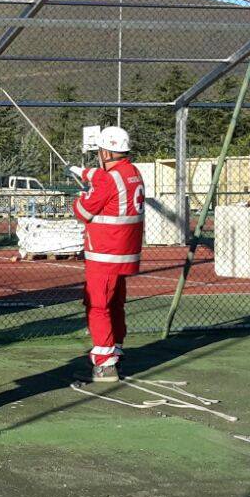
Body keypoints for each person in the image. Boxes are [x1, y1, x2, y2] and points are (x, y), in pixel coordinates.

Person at [69, 125, 145, 383]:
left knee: (98, 305)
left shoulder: (107, 180)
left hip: (105, 252)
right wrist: (86, 173)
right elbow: (104, 180)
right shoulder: (132, 172)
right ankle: (116, 348)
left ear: (105, 152)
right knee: (116, 303)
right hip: (126, 251)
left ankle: (105, 363)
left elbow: (83, 212)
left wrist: (82, 195)